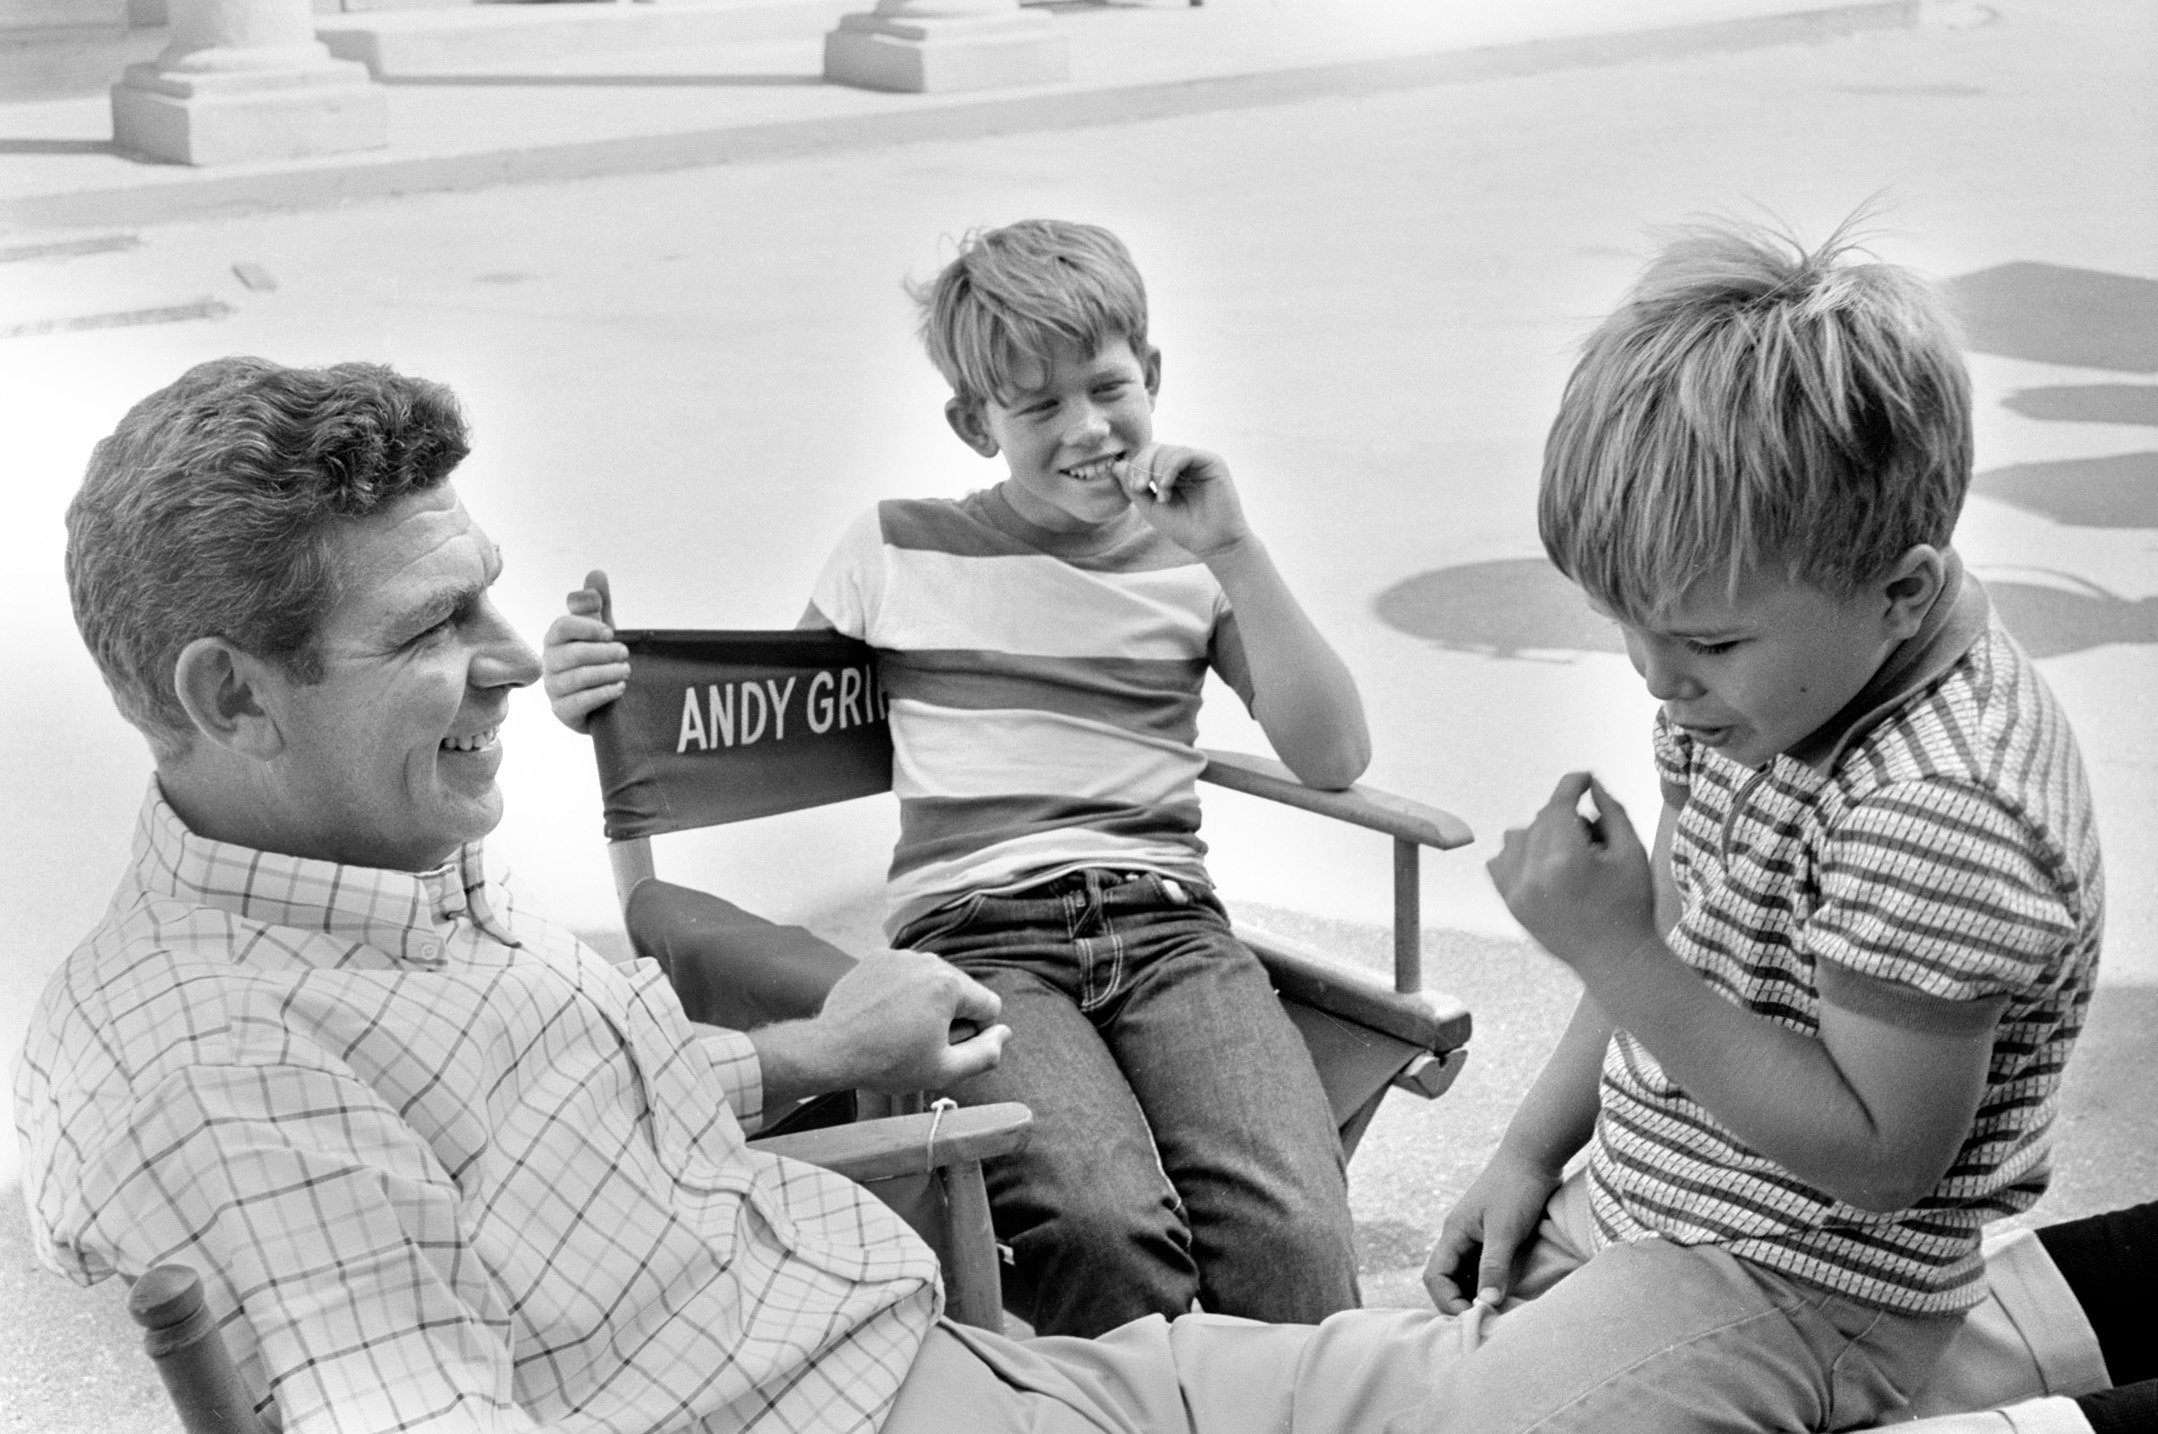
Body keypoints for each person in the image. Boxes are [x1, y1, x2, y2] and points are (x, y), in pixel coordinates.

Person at [543, 218, 1372, 1337]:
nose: (1087, 427)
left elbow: (1335, 756)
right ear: (975, 423)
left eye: (1108, 387)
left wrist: (1235, 550)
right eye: (1038, 407)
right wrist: (603, 689)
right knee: (1099, 1228)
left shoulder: (1191, 557)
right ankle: (1129, 1407)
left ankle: (1289, 1404)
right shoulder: (896, 547)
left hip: (1169, 930)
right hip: (979, 942)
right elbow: (756, 722)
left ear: (1152, 374)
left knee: (1293, 1235)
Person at [1401, 218, 2105, 1431]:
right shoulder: (1760, 694)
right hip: (1665, 1204)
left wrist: (1611, 949)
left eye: (1707, 640)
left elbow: (1879, 1159)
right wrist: (1529, 1151)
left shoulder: (1937, 810)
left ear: (1900, 592)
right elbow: (1684, 930)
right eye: (1628, 627)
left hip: (1812, 1285)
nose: (1656, 678)